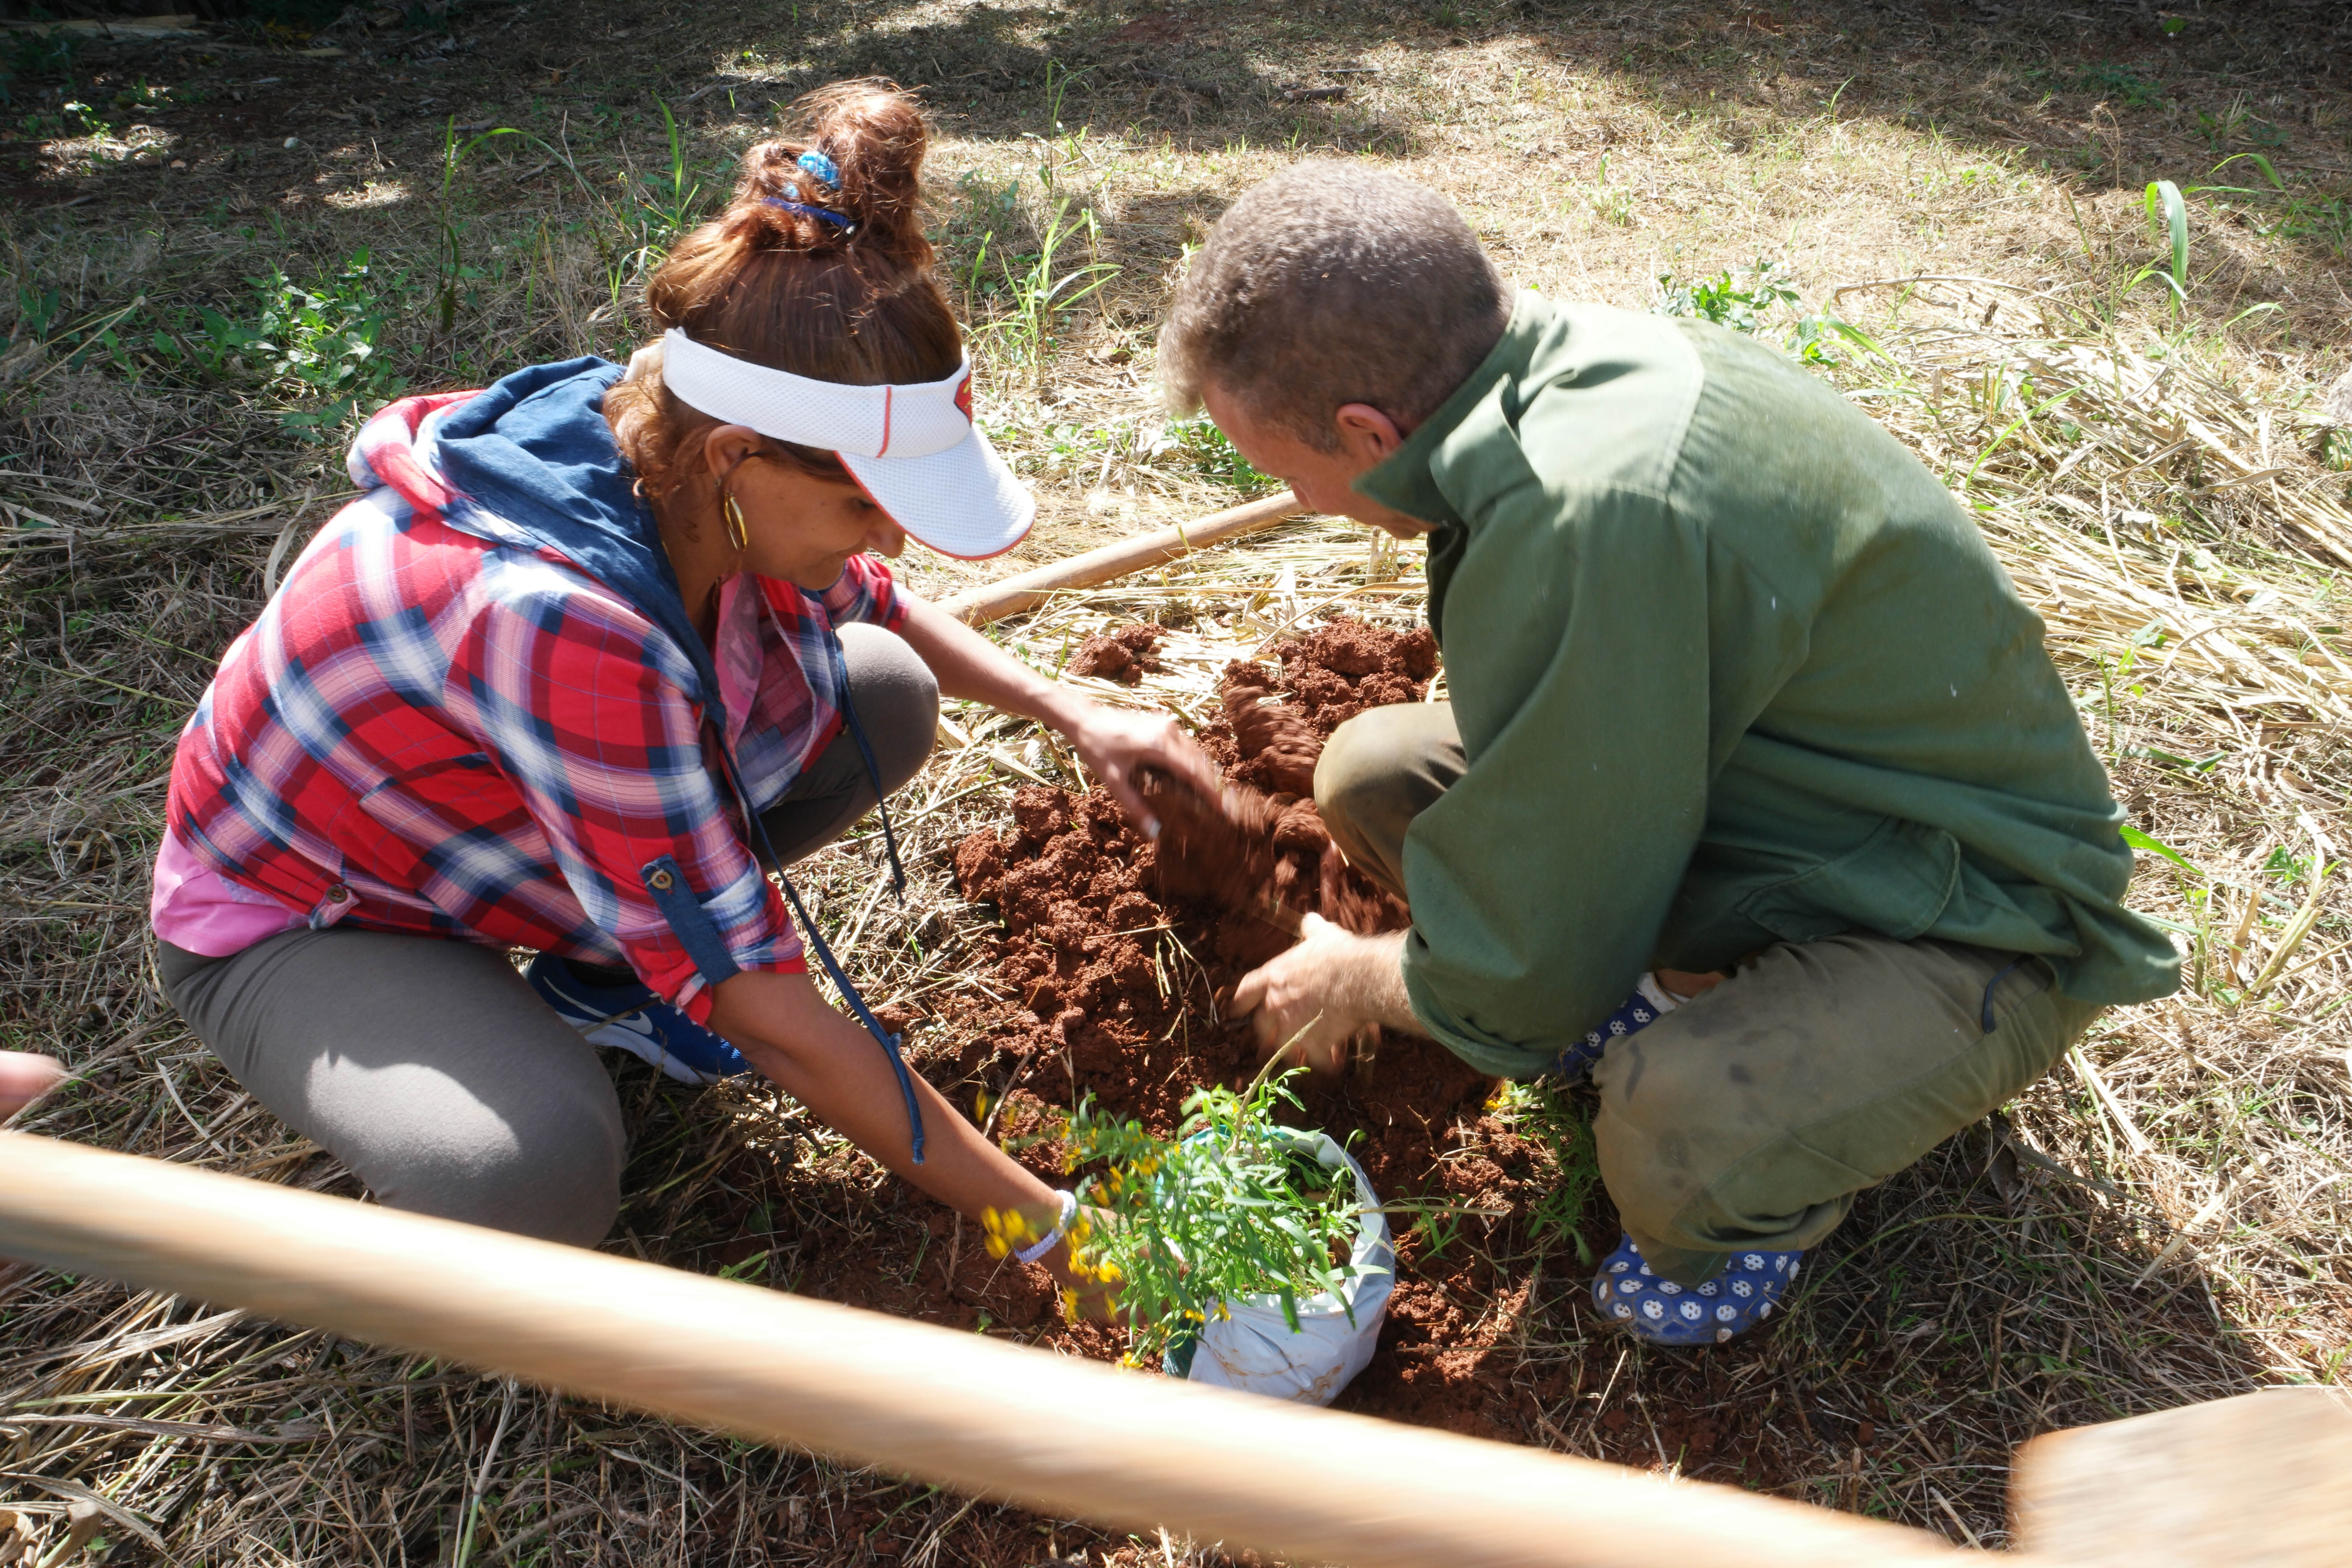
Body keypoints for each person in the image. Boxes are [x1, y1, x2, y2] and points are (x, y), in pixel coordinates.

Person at [148, 84, 1217, 1300]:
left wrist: (1076, 711)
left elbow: (867, 603)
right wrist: (1043, 1221)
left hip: (489, 828)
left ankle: (601, 980)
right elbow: (764, 1009)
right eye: (866, 503)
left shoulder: (688, 429)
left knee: (882, 693)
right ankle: (469, 1088)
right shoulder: (566, 622)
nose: (892, 545)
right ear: (734, 465)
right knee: (526, 1174)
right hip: (317, 911)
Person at [1175, 163, 2180, 1346]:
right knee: (1374, 777)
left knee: (1666, 1126)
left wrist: (1354, 978)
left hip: (1975, 911)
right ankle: (1687, 987)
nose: (1295, 501)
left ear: (1367, 431)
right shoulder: (1545, 379)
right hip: (1807, 804)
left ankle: (1746, 1224)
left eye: (1284, 470)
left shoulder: (1593, 508)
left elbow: (1523, 971)